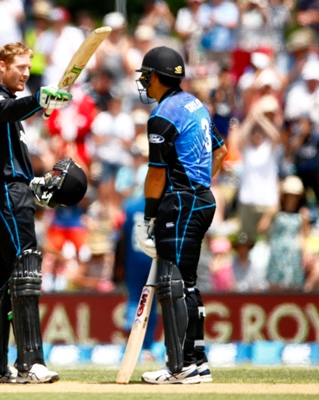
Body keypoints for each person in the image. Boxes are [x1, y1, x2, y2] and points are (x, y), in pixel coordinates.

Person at [0, 42, 78, 384]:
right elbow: (5, 110)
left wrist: (34, 183)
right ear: (1, 66)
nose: (25, 73)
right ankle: (30, 362)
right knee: (26, 269)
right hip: (4, 193)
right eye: (19, 66)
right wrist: (38, 102)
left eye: (28, 67)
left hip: (10, 191)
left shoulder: (12, 105)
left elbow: (13, 147)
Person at [134, 46, 227, 384]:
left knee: (173, 284)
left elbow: (156, 174)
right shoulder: (195, 105)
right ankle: (196, 360)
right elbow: (222, 151)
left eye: (146, 75)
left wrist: (148, 217)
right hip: (201, 200)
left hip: (181, 201)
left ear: (157, 77)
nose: (144, 81)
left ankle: (180, 365)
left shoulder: (163, 115)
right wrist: (200, 182)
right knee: (186, 284)